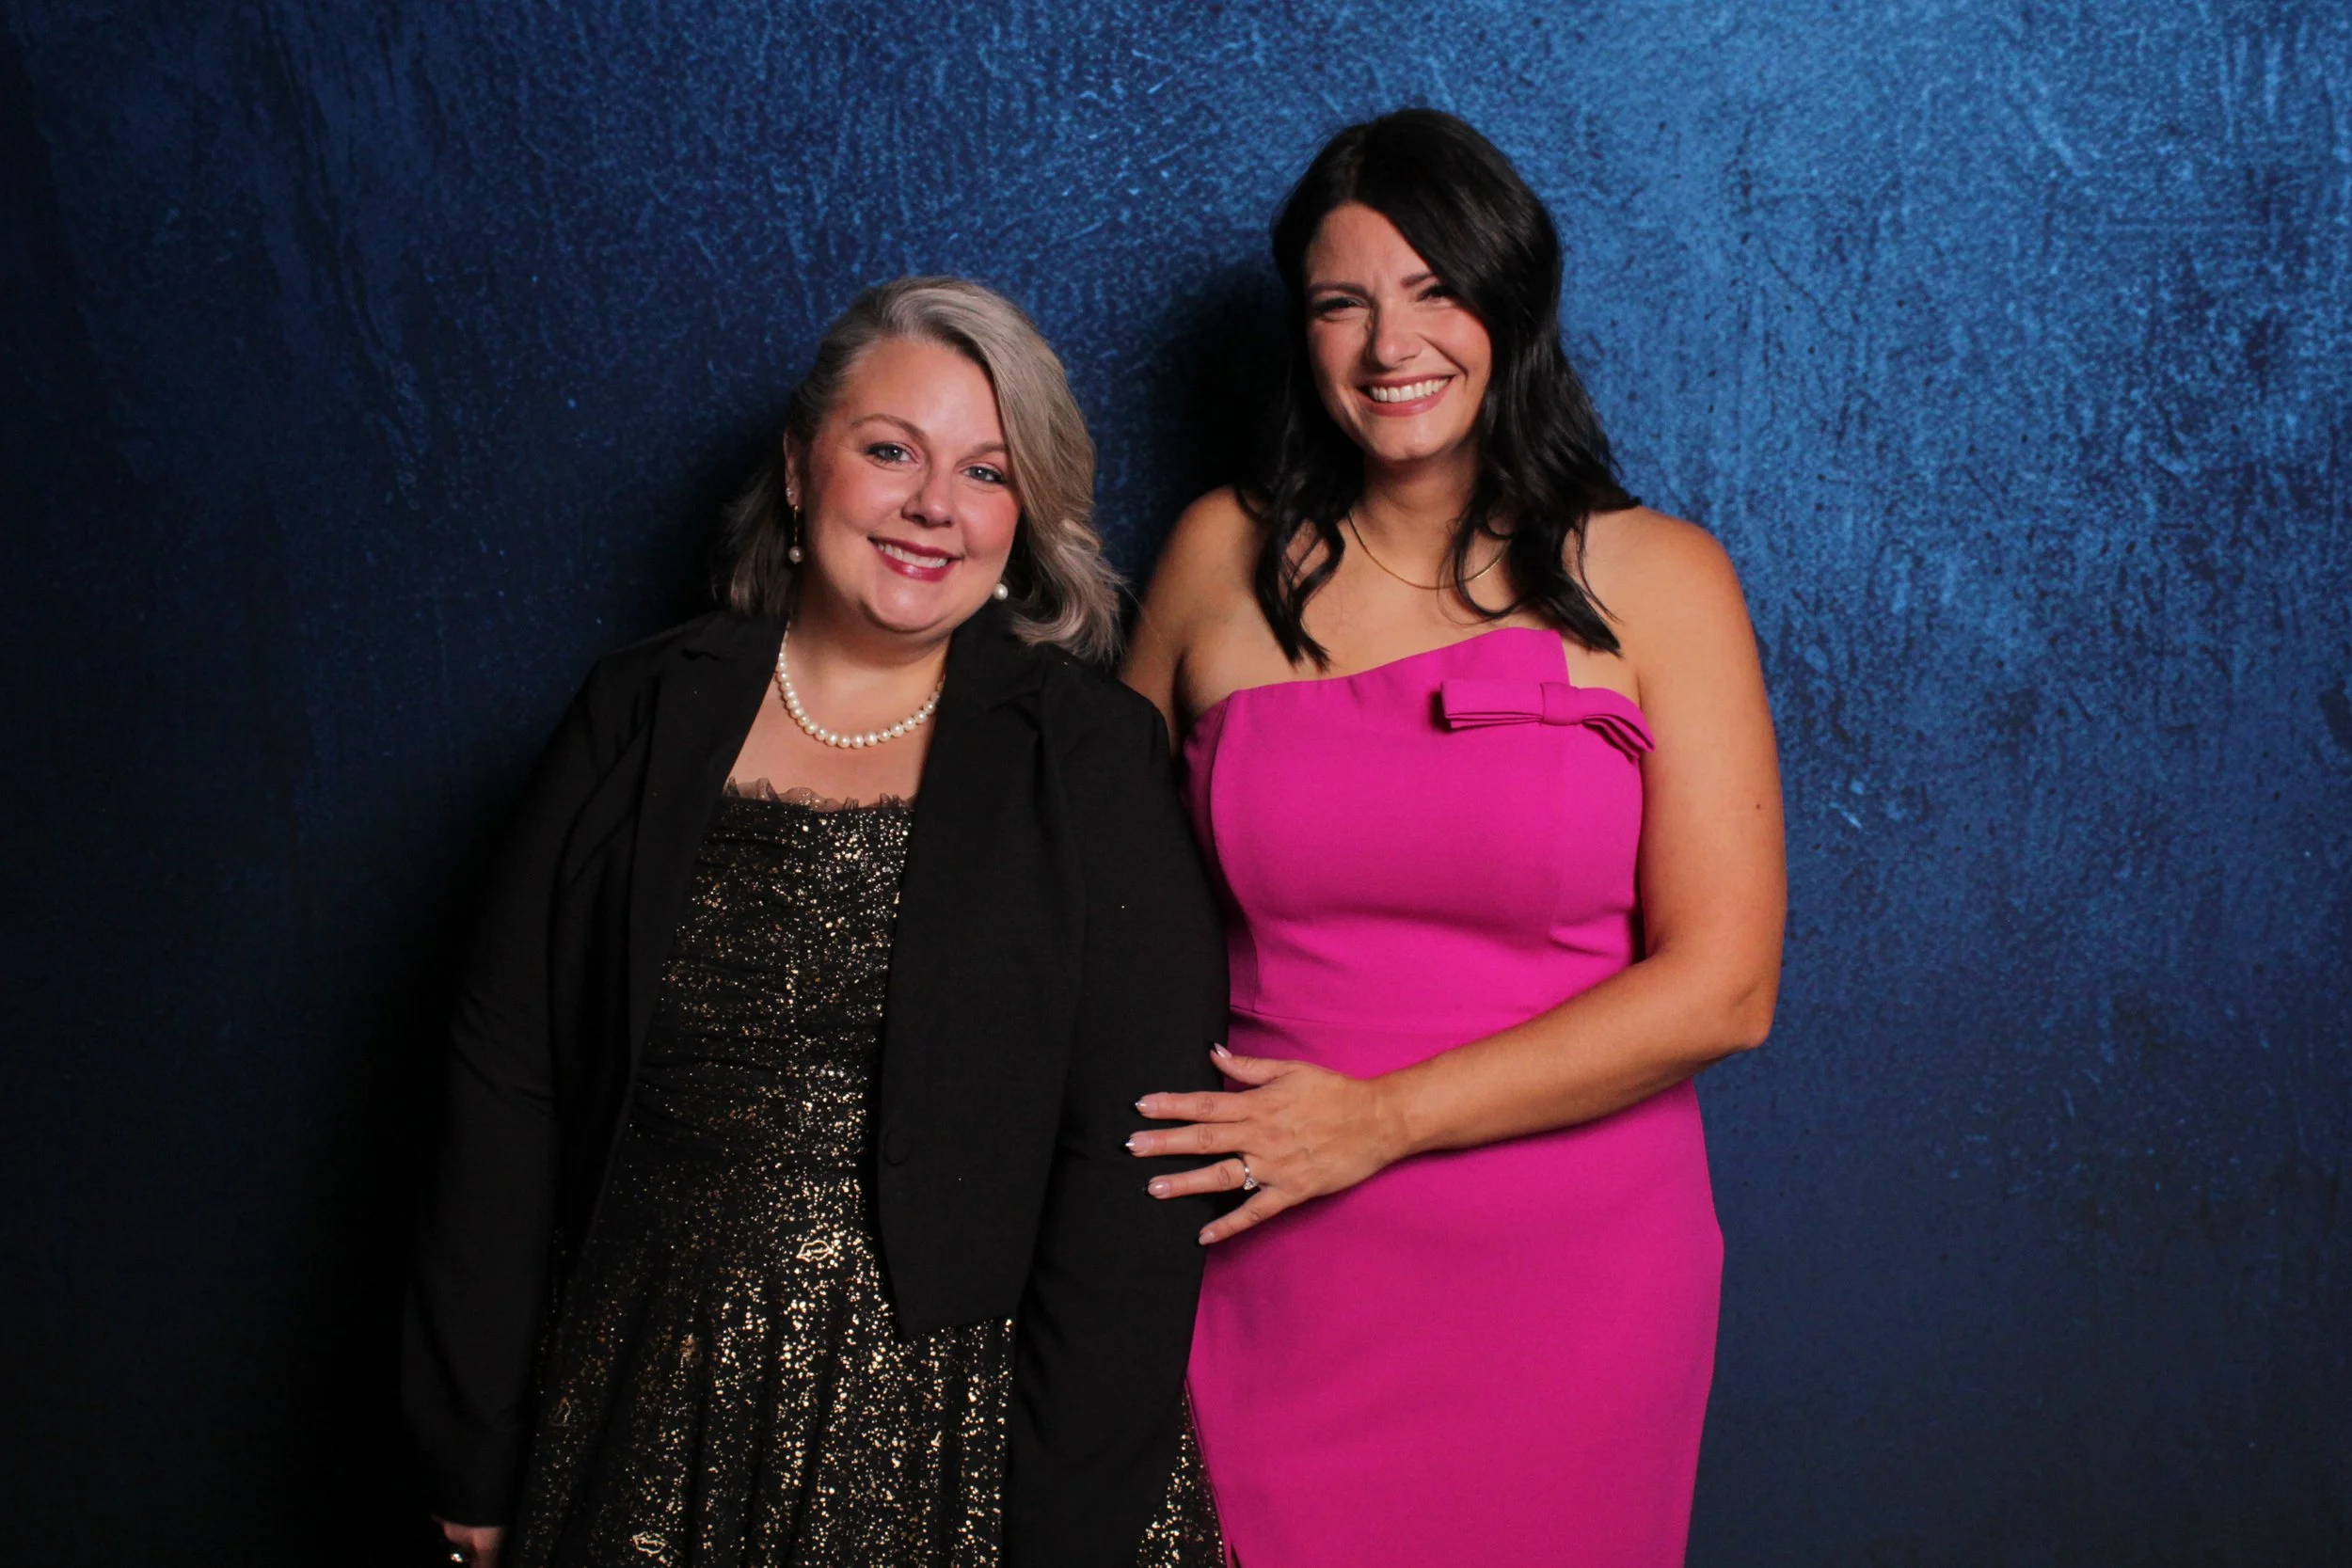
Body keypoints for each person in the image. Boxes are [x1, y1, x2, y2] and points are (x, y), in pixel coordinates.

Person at [405, 277, 1228, 1568]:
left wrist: (1071, 1532)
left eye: (987, 472)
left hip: (967, 1446)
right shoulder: (636, 712)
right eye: (890, 449)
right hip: (644, 1409)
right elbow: (505, 1085)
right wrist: (475, 1438)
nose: (933, 507)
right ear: (799, 468)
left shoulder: (1090, 759)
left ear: (1027, 519)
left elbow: (1129, 1179)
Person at [1121, 110, 1787, 1565]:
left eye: (1434, 290)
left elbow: (1728, 987)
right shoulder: (1211, 558)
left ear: (1510, 305)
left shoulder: (1663, 579)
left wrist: (1376, 1118)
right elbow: (1087, 901)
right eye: (1342, 301)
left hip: (1574, 1270)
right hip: (1267, 1246)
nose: (1387, 344)